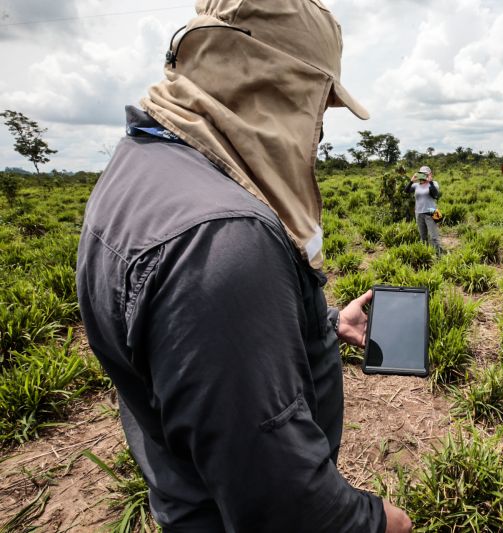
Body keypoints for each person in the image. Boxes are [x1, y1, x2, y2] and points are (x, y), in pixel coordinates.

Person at [76, 1, 412, 532]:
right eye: (318, 105)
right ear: (275, 84)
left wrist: (323, 326)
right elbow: (286, 510)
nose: (319, 131)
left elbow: (202, 363)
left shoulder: (143, 168)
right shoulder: (222, 239)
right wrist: (379, 522)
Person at [404, 165, 442, 255]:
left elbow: (436, 195)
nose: (424, 175)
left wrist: (431, 182)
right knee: (422, 236)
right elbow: (406, 191)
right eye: (422, 173)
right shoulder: (416, 185)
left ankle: (439, 255)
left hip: (432, 211)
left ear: (430, 174)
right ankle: (425, 254)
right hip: (419, 212)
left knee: (434, 237)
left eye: (426, 174)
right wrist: (411, 180)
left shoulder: (434, 183)